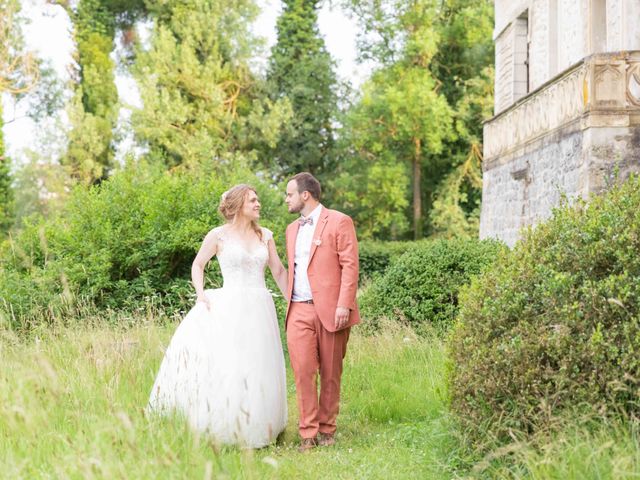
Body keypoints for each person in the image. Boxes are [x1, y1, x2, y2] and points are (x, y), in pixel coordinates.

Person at [147, 184, 288, 448]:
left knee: (259, 363)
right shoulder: (218, 235)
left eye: (258, 200)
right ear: (237, 205)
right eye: (253, 200)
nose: (258, 204)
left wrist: (294, 300)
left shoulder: (265, 236)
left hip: (259, 306)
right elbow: (198, 265)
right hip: (230, 304)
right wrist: (200, 294)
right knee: (231, 364)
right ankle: (227, 423)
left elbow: (278, 271)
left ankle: (259, 424)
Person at [284, 172, 360, 452]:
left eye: (289, 194)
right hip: (298, 310)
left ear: (305, 195)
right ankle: (308, 433)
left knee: (330, 372)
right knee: (303, 371)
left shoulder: (340, 221)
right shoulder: (291, 230)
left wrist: (344, 304)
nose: (286, 199)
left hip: (331, 310)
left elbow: (350, 265)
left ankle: (327, 429)